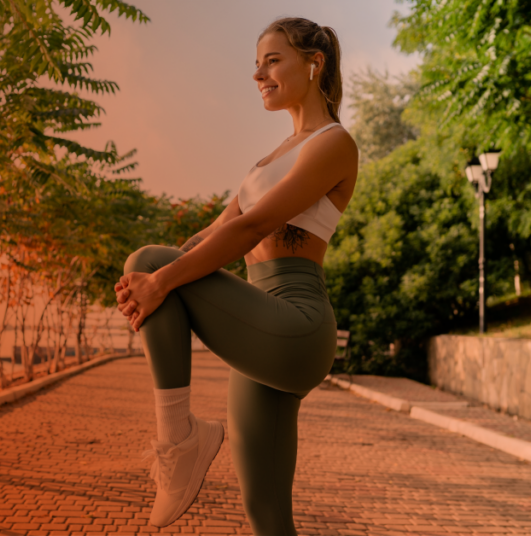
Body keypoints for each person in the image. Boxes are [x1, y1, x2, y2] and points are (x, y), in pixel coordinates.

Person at [113, 17, 358, 535]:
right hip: (259, 317)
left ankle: (178, 442)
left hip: (296, 321)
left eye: (272, 60)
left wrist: (161, 277)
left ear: (315, 64)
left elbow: (255, 225)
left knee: (153, 265)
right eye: (257, 63)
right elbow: (216, 231)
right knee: (265, 514)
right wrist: (151, 282)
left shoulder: (335, 143)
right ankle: (186, 440)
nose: (258, 74)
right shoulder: (270, 158)